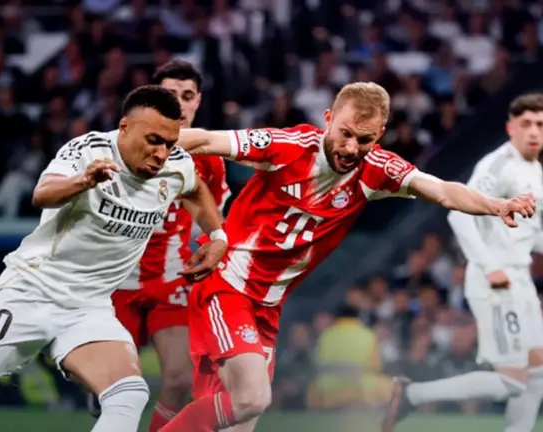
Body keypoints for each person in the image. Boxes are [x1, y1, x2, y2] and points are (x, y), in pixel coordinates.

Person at [156, 81, 536, 432]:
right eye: (346, 134)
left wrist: (496, 205)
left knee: (239, 420)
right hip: (227, 286)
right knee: (252, 398)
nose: (352, 148)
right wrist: (144, 142)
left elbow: (441, 190)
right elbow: (206, 140)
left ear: (379, 135)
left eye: (365, 139)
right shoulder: (289, 146)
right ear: (328, 119)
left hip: (267, 306)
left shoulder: (376, 170)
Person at [0, 85, 229, 432]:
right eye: (153, 140)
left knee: (128, 393)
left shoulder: (176, 166)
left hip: (88, 307)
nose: (161, 154)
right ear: (124, 127)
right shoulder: (89, 150)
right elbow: (42, 194)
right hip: (30, 292)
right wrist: (84, 181)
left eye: (169, 144)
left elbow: (196, 190)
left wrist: (217, 236)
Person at [383, 93, 543, 432]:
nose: (533, 131)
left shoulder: (534, 168)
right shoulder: (497, 165)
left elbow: (529, 234)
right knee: (512, 380)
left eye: (540, 125)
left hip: (519, 278)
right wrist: (489, 266)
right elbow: (460, 216)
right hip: (496, 280)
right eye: (526, 123)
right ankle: (413, 394)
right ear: (510, 128)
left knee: (538, 369)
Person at [92, 60, 230, 431]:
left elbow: (213, 221)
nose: (179, 104)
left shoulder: (210, 161)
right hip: (115, 280)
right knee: (117, 387)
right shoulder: (118, 147)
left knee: (181, 380)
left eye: (187, 96)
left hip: (171, 279)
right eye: (170, 95)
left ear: (198, 101)